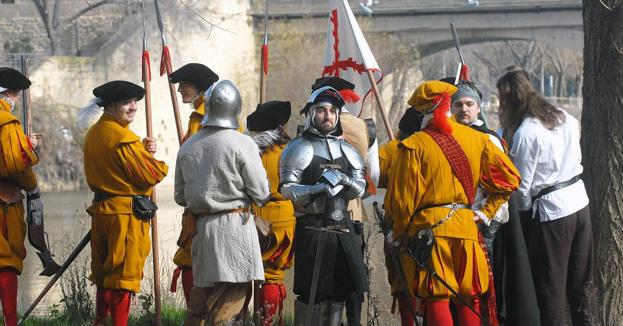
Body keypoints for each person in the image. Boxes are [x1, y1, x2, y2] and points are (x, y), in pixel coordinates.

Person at [384, 80, 520, 326]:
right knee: (469, 296)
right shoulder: (478, 140)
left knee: (437, 297)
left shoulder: (413, 146)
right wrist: (485, 213)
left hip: (430, 231)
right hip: (468, 227)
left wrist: (399, 234)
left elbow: (402, 202)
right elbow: (509, 180)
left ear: (424, 111)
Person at [497, 70, 597, 326]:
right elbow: (576, 159)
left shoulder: (526, 134)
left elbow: (521, 188)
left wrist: (523, 217)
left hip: (553, 214)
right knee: (580, 286)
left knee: (550, 289)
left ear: (510, 100)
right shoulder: (566, 117)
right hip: (579, 204)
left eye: (502, 101)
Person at [175, 80, 270, 325]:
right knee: (232, 297)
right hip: (235, 229)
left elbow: (180, 196)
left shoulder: (188, 146)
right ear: (235, 110)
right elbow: (261, 193)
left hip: (202, 229)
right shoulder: (243, 143)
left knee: (200, 300)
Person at [280, 86, 368, 325]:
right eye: (321, 110)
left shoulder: (348, 150)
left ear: (338, 115)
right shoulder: (298, 148)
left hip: (344, 227)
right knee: (313, 293)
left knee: (350, 289)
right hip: (313, 227)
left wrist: (347, 180)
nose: (327, 115)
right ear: (311, 114)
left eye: (332, 110)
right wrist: (316, 188)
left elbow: (362, 187)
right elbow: (286, 189)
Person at [82, 80, 169, 325]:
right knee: (122, 278)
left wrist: (140, 151)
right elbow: (152, 175)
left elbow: (117, 166)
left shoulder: (94, 134)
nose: (133, 107)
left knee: (104, 274)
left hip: (102, 212)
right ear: (110, 106)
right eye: (126, 103)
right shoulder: (123, 138)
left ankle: (100, 322)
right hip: (124, 217)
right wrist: (150, 159)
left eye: (134, 102)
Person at [168, 62, 219, 305]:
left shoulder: (208, 115)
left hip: (206, 205)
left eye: (184, 85)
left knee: (192, 259)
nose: (179, 90)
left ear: (198, 86)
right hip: (196, 203)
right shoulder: (199, 114)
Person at [246, 100, 295, 325]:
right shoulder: (291, 150)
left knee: (250, 276)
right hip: (283, 219)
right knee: (272, 277)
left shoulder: (248, 150)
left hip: (252, 216)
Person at [0, 67, 41, 326]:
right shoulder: (8, 123)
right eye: (14, 93)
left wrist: (22, 145)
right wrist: (29, 152)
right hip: (3, 203)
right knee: (5, 261)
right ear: (8, 93)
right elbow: (16, 165)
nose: (15, 99)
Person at [377, 107, 423, 326]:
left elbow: (373, 177)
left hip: (399, 226)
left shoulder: (393, 149)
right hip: (432, 225)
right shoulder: (437, 148)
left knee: (404, 284)